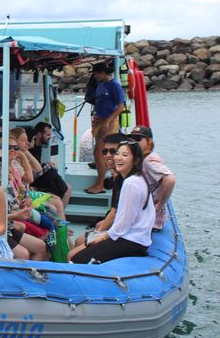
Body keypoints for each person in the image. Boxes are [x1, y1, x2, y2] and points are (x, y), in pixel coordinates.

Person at [70, 140, 155, 264]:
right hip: (134, 239)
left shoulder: (131, 183)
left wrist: (103, 236)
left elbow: (124, 222)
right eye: (118, 154)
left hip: (129, 240)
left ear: (135, 160)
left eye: (125, 155)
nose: (118, 158)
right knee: (78, 249)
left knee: (75, 259)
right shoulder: (138, 178)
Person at [0, 144, 47, 260]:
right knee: (23, 254)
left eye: (1, 159)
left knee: (41, 246)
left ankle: (31, 276)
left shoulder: (4, 180)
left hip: (7, 228)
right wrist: (16, 216)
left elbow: (13, 204)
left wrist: (23, 200)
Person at [69, 133, 128, 253]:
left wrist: (97, 233)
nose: (108, 155)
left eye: (113, 151)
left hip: (124, 234)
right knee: (79, 241)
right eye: (105, 151)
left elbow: (116, 212)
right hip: (118, 228)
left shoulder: (126, 180)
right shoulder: (118, 177)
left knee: (73, 253)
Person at [87, 61, 125, 194]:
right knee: (99, 151)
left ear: (102, 73)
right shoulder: (100, 85)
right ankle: (102, 181)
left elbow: (121, 106)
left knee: (99, 151)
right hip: (99, 120)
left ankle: (100, 183)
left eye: (96, 74)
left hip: (109, 121)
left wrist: (108, 121)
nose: (95, 76)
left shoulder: (114, 85)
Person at [129, 125, 176, 231]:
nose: (133, 142)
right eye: (131, 139)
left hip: (149, 222)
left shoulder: (150, 161)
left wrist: (159, 204)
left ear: (149, 142)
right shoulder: (143, 157)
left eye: (138, 139)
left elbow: (170, 179)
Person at [29, 122, 72, 206]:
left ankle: (60, 215)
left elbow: (36, 164)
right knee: (65, 190)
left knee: (68, 188)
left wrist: (46, 164)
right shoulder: (31, 149)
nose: (50, 137)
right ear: (39, 134)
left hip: (40, 177)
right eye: (48, 135)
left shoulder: (38, 146)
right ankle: (60, 215)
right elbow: (34, 171)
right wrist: (46, 166)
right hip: (35, 180)